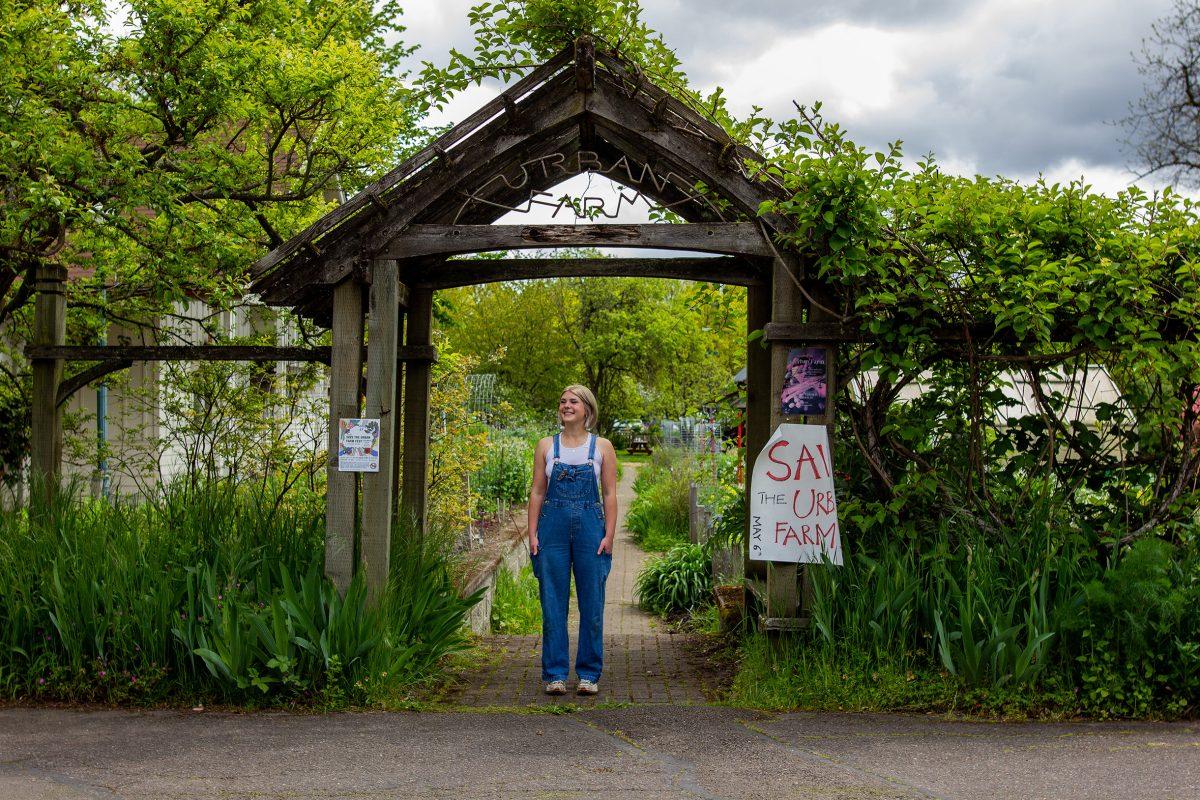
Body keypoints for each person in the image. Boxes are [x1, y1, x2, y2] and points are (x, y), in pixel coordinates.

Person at [527, 385, 618, 696]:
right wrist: (532, 533)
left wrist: (609, 535)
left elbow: (609, 494)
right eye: (563, 401)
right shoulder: (545, 446)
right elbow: (538, 492)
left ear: (587, 410)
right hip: (551, 529)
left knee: (592, 603)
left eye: (573, 401)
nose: (566, 405)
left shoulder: (602, 447)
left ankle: (588, 675)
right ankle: (555, 674)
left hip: (591, 530)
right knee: (552, 603)